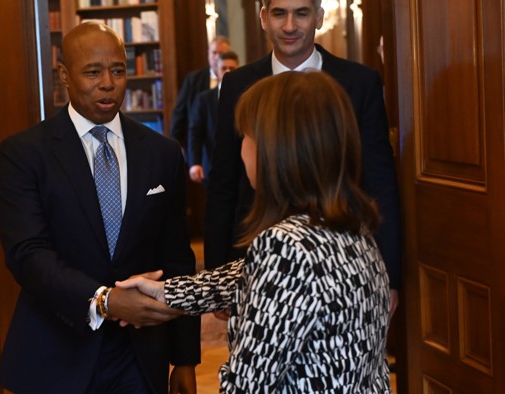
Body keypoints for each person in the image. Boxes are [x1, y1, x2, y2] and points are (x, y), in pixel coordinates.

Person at [118, 71, 392, 392]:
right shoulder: (350, 229)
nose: (241, 149)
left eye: (246, 136)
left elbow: (246, 384)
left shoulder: (286, 248)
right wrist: (167, 294)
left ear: (276, 149)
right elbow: (244, 274)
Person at [0, 21, 200, 394]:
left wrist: (185, 359)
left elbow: (177, 259)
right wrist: (104, 301)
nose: (108, 83)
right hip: (56, 352)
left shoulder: (162, 153)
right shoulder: (24, 154)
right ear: (64, 76)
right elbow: (27, 254)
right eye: (93, 72)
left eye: (118, 70)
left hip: (140, 358)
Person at [203, 0, 402, 317]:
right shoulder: (238, 85)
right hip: (254, 259)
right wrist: (216, 276)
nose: (290, 26)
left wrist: (390, 273)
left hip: (341, 265)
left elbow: (379, 181)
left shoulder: (359, 83)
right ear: (264, 18)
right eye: (280, 13)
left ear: (319, 17)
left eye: (301, 13)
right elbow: (224, 182)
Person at [187, 51, 240, 186]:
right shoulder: (204, 99)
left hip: (241, 166)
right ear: (216, 70)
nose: (228, 72)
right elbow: (195, 133)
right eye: (224, 68)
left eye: (232, 68)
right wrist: (195, 163)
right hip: (212, 166)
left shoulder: (247, 96)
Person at [169, 35, 231, 150]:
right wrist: (175, 144)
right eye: (214, 53)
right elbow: (179, 113)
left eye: (221, 53)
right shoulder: (193, 80)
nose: (217, 57)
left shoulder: (235, 79)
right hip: (199, 147)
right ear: (208, 54)